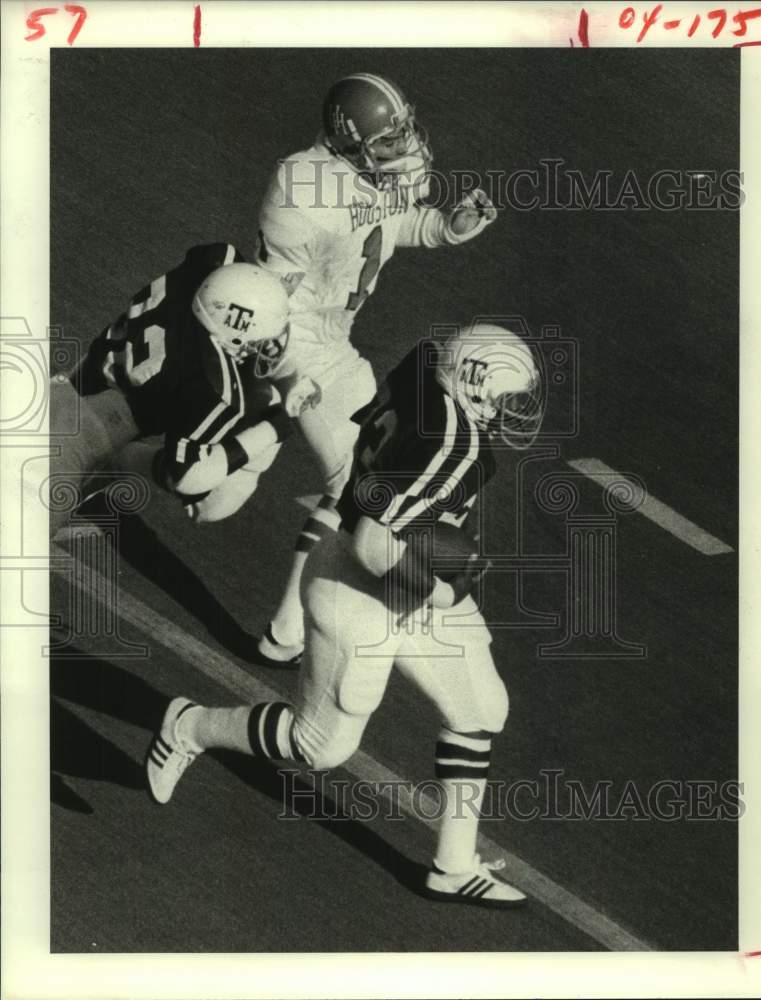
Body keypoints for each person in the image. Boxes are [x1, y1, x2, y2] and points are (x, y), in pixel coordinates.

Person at [146, 323, 544, 907]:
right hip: (357, 584)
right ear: (473, 384)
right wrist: (440, 591)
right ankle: (189, 726)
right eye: (505, 399)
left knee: (480, 706)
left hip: (396, 559)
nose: (513, 414)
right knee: (319, 747)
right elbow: (372, 544)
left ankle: (453, 867)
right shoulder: (457, 447)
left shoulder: (426, 361)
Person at [253, 72, 499, 664]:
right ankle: (287, 632)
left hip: (336, 342)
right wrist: (288, 372)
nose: (404, 146)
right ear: (348, 141)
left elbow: (383, 226)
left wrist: (443, 229)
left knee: (345, 479)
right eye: (388, 139)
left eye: (403, 130)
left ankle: (287, 629)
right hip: (296, 344)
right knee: (341, 484)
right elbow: (270, 299)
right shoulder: (304, 184)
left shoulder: (365, 175)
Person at [47, 245, 294, 537]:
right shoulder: (213, 386)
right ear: (235, 337)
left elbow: (225, 272)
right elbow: (190, 477)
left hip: (58, 392)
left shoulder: (208, 268)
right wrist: (276, 427)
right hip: (65, 449)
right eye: (259, 342)